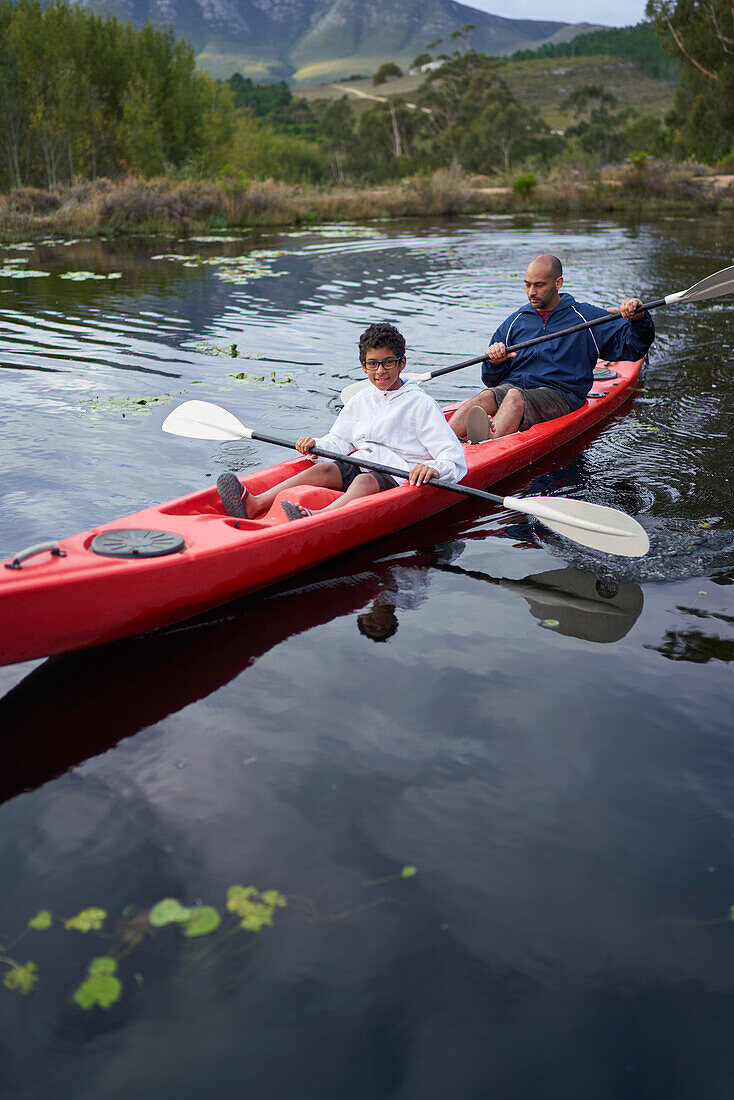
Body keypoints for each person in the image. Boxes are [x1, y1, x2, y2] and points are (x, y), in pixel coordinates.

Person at [216, 322, 467, 521]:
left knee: (364, 481)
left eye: (388, 362)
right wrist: (316, 446)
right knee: (324, 468)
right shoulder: (360, 400)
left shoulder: (420, 404)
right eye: (373, 364)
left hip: (400, 474)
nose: (380, 371)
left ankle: (318, 518)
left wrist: (433, 469)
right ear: (363, 367)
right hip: (365, 462)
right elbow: (339, 440)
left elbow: (452, 456)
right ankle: (255, 503)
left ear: (402, 362)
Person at [447, 254, 656, 441]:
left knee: (514, 397)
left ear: (558, 283)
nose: (531, 292)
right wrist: (493, 363)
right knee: (486, 396)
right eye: (527, 285)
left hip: (561, 395)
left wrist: (638, 318)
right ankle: (442, 438)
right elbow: (491, 379)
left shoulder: (586, 317)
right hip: (517, 387)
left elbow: (633, 347)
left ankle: (487, 442)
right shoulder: (515, 322)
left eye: (539, 285)